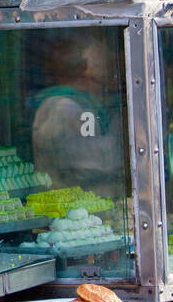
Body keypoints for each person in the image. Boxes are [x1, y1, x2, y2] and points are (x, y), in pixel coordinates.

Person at [29, 31, 125, 200]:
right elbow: (86, 166)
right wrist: (123, 145)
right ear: (85, 70)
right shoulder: (64, 108)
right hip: (75, 209)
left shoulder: (83, 104)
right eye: (106, 68)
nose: (113, 77)